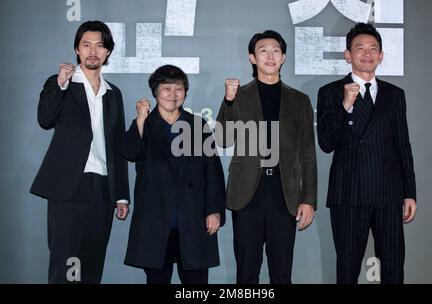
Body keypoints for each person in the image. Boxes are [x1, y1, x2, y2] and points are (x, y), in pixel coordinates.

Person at [30, 21, 130, 283]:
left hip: (103, 188)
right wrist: (61, 85)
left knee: (92, 262)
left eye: (99, 45)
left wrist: (121, 195)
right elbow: (45, 119)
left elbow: (118, 147)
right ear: (77, 49)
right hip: (69, 187)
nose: (92, 51)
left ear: (108, 51)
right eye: (86, 45)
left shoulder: (113, 94)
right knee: (66, 264)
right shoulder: (61, 83)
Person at [317, 23, 417, 284]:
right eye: (359, 48)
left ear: (381, 56)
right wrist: (345, 106)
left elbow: (402, 146)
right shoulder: (330, 93)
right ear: (348, 55)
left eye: (374, 49)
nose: (367, 54)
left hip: (388, 193)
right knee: (347, 270)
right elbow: (327, 143)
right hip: (349, 193)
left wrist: (409, 193)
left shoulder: (395, 95)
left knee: (393, 268)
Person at [215, 30, 317, 284]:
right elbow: (223, 139)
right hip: (247, 193)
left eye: (275, 50)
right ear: (252, 58)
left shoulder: (300, 100)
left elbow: (307, 154)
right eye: (263, 50)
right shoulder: (238, 96)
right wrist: (228, 102)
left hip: (285, 194)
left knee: (282, 273)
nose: (270, 55)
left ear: (283, 58)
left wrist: (309, 200)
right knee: (247, 273)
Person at [122, 64, 226, 284]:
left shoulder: (198, 126)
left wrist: (214, 210)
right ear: (155, 92)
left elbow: (213, 172)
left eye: (178, 88)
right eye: (166, 88)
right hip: (156, 221)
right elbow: (129, 152)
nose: (172, 94)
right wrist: (140, 120)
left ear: (185, 93)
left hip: (194, 220)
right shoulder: (144, 125)